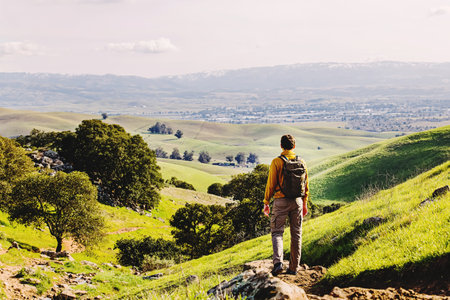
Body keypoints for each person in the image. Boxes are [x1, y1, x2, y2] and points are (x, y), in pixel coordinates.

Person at [263, 134, 309, 276]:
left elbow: (271, 184)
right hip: (297, 202)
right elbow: (306, 185)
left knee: (277, 232)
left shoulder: (276, 162)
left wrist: (266, 202)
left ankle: (278, 263)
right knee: (296, 233)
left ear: (281, 146)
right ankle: (294, 268)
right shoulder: (302, 161)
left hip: (280, 201)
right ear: (294, 146)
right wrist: (305, 203)